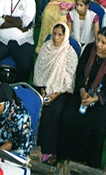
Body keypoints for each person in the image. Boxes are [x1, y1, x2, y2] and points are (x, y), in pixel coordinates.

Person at [58, 27, 106, 167]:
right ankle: (68, 156)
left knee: (97, 127)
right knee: (67, 116)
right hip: (83, 93)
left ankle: (90, 164)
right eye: (97, 40)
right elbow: (80, 72)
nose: (99, 45)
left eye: (103, 42)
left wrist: (94, 99)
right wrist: (82, 91)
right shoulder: (89, 49)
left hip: (101, 101)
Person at [34, 23, 78, 161]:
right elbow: (39, 71)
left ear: (65, 36)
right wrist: (42, 91)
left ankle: (49, 151)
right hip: (43, 87)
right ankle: (34, 145)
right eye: (54, 33)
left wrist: (53, 95)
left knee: (54, 112)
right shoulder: (46, 47)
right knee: (36, 106)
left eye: (60, 35)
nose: (56, 37)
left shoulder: (70, 53)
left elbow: (69, 79)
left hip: (61, 91)